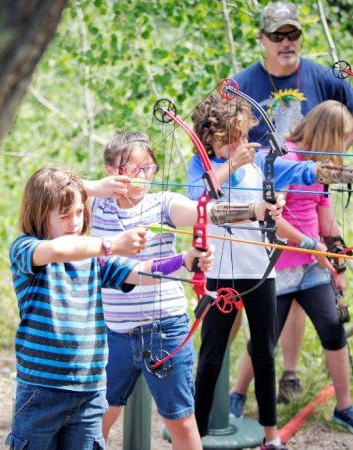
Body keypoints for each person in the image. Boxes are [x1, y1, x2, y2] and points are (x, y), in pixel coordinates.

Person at [188, 95, 353, 449]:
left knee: (265, 354)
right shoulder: (201, 167)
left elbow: (310, 170)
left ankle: (272, 438)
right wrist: (253, 203)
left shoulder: (260, 162)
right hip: (218, 274)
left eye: (240, 135)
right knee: (211, 357)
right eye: (227, 138)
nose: (237, 143)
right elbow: (201, 205)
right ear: (209, 139)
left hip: (259, 273)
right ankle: (196, 439)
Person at [86, 131, 284, 450]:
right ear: (112, 171)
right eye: (135, 169)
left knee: (180, 421)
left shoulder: (163, 203)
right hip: (116, 334)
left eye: (149, 168)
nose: (145, 176)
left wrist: (256, 211)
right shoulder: (95, 206)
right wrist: (96, 187)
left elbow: (204, 212)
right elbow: (55, 187)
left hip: (165, 331)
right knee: (98, 420)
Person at [6, 167, 214, 450]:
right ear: (39, 215)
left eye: (79, 213)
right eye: (64, 216)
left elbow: (140, 272)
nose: (75, 222)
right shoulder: (26, 248)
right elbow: (57, 250)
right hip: (42, 389)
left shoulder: (93, 260)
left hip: (89, 390)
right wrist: (112, 244)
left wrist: (185, 261)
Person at [230, 0, 353, 408]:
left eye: (292, 34)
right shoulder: (245, 85)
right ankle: (235, 394)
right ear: (263, 40)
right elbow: (220, 134)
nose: (286, 42)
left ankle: (338, 402)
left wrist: (335, 252)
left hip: (306, 250)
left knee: (326, 324)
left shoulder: (320, 80)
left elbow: (324, 204)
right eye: (277, 35)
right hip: (270, 237)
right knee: (259, 329)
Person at [231, 100, 353, 435]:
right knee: (264, 340)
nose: (344, 142)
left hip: (314, 267)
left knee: (333, 329)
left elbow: (325, 213)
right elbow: (272, 216)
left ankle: (345, 408)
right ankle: (237, 394)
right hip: (281, 264)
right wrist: (313, 247)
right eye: (340, 135)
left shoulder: (322, 163)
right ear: (326, 131)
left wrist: (336, 262)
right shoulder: (285, 158)